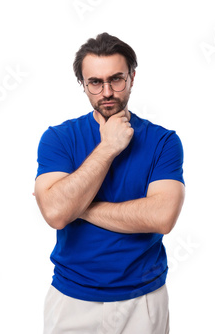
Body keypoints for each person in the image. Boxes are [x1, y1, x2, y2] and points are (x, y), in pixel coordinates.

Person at [34, 32, 185, 334]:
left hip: (144, 299)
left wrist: (80, 207)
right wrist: (108, 148)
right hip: (72, 298)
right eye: (95, 82)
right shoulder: (59, 138)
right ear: (83, 84)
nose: (107, 92)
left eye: (116, 79)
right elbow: (55, 214)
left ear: (132, 77)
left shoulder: (163, 141)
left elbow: (162, 217)